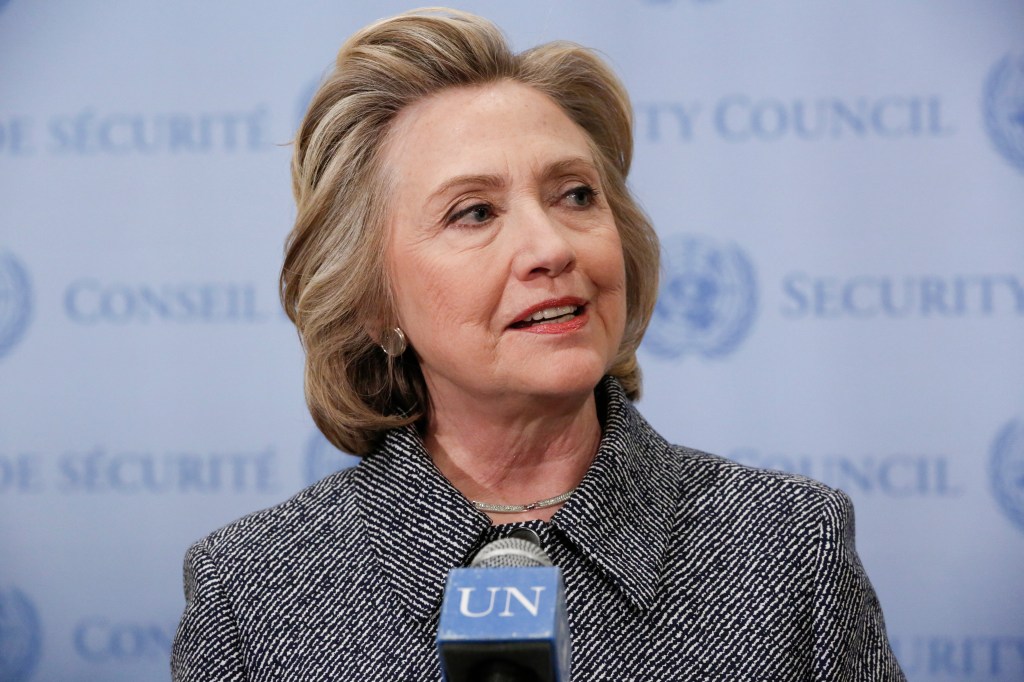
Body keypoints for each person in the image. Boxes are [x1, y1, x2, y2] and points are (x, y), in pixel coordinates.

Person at [171, 8, 906, 681]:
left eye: (575, 195)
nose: (551, 247)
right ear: (373, 303)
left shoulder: (791, 546)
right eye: (475, 212)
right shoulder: (249, 593)